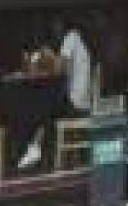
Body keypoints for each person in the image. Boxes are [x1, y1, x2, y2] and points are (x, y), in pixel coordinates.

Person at [17, 15, 91, 170]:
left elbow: (59, 68)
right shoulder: (79, 41)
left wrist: (48, 54)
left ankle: (35, 151)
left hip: (76, 101)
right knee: (46, 111)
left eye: (56, 26)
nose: (54, 30)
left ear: (63, 25)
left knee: (44, 113)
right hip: (80, 99)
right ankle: (36, 150)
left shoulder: (71, 37)